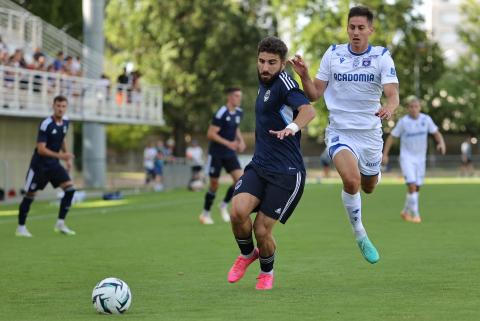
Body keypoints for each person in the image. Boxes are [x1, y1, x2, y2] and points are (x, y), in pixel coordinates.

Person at [290, 6, 399, 264]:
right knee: (351, 181)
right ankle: (360, 233)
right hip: (340, 132)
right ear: (347, 29)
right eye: (352, 27)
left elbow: (393, 94)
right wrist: (304, 75)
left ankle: (373, 173)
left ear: (370, 30)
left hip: (370, 134)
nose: (356, 32)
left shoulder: (382, 56)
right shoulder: (333, 53)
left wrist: (390, 108)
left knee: (368, 187)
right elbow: (315, 94)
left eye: (361, 28)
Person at [227, 36, 316, 290]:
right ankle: (246, 255)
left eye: (272, 63)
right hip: (260, 165)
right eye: (262, 61)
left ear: (282, 64)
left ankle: (267, 271)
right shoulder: (263, 79)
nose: (265, 68)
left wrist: (291, 127)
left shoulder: (285, 83)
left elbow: (308, 110)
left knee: (262, 230)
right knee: (237, 212)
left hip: (287, 173)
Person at [15, 95, 76, 237]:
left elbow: (62, 139)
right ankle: (21, 227)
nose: (61, 109)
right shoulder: (46, 124)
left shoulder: (66, 122)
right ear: (53, 106)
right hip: (39, 166)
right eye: (58, 106)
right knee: (30, 195)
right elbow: (41, 149)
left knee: (70, 189)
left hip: (54, 165)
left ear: (66, 108)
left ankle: (60, 223)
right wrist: (61, 156)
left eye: (63, 106)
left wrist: (67, 158)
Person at [383, 96, 446, 223]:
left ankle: (405, 212)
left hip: (420, 159)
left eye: (416, 106)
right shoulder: (403, 122)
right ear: (408, 109)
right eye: (411, 107)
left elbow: (436, 133)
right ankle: (416, 215)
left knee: (416, 187)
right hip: (407, 158)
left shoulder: (426, 119)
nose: (413, 109)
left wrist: (441, 143)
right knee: (411, 185)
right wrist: (385, 154)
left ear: (420, 108)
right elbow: (391, 137)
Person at [199, 87, 246, 224]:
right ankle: (205, 214)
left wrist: (241, 140)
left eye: (240, 96)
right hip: (216, 154)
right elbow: (211, 134)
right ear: (230, 97)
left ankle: (224, 205)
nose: (239, 98)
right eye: (237, 96)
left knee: (240, 180)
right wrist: (228, 143)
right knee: (214, 185)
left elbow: (235, 127)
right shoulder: (221, 113)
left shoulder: (239, 112)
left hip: (229, 153)